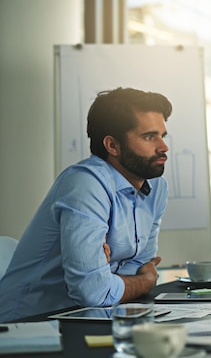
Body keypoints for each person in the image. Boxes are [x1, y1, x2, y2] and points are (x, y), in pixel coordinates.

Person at [0, 88, 171, 322]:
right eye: (149, 137)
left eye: (163, 135)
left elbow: (140, 264)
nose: (163, 147)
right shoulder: (85, 184)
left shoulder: (156, 187)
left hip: (88, 317)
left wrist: (112, 278)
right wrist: (144, 282)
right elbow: (92, 291)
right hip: (29, 327)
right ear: (112, 146)